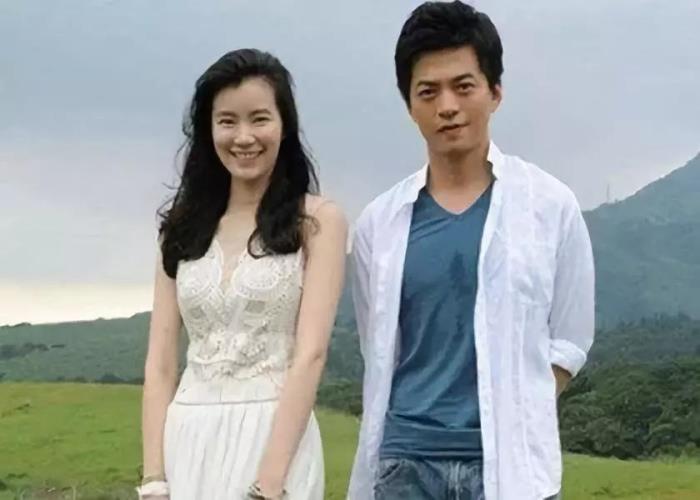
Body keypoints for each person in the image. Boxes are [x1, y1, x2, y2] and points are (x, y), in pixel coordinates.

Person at [348, 2, 595, 499]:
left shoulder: (549, 207)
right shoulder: (379, 223)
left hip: (513, 468)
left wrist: (517, 410)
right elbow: (376, 343)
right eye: (428, 91)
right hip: (406, 465)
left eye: (463, 86)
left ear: (495, 92)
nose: (447, 106)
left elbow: (570, 340)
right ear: (409, 104)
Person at [138, 48, 347, 500]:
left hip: (275, 442)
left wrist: (269, 484)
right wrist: (154, 480)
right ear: (208, 129)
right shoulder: (180, 228)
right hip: (187, 438)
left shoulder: (317, 221)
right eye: (227, 121)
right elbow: (160, 363)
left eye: (259, 119)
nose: (244, 137)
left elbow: (310, 354)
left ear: (284, 125)